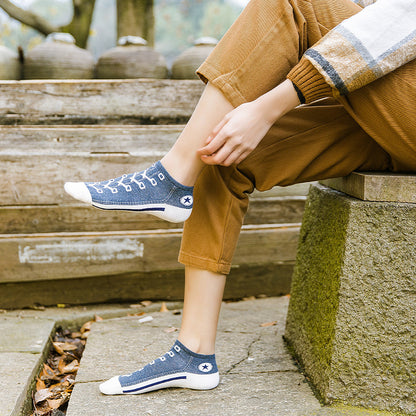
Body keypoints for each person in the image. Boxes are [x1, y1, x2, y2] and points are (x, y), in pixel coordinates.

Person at [64, 0, 416, 396]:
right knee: (220, 150)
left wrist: (268, 107)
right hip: (393, 109)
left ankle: (169, 178)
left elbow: (400, 20)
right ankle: (193, 354)